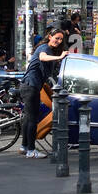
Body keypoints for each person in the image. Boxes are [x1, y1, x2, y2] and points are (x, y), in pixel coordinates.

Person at [20, 27, 68, 159]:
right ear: (49, 36)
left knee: (29, 118)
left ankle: (24, 146)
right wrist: (59, 56)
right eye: (56, 38)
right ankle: (31, 150)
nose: (58, 41)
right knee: (33, 119)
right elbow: (43, 57)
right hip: (31, 86)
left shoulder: (49, 49)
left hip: (30, 86)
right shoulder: (44, 48)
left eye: (60, 39)